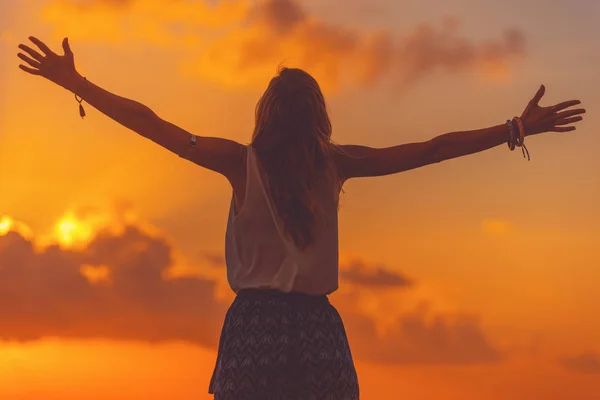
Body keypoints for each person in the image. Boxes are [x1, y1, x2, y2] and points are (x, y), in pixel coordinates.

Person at [17, 36, 586, 400]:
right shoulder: (336, 164)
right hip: (317, 332)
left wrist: (75, 82)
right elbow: (432, 147)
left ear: (265, 114)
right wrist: (514, 129)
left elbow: (153, 124)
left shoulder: (238, 164)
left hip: (254, 331)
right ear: (319, 117)